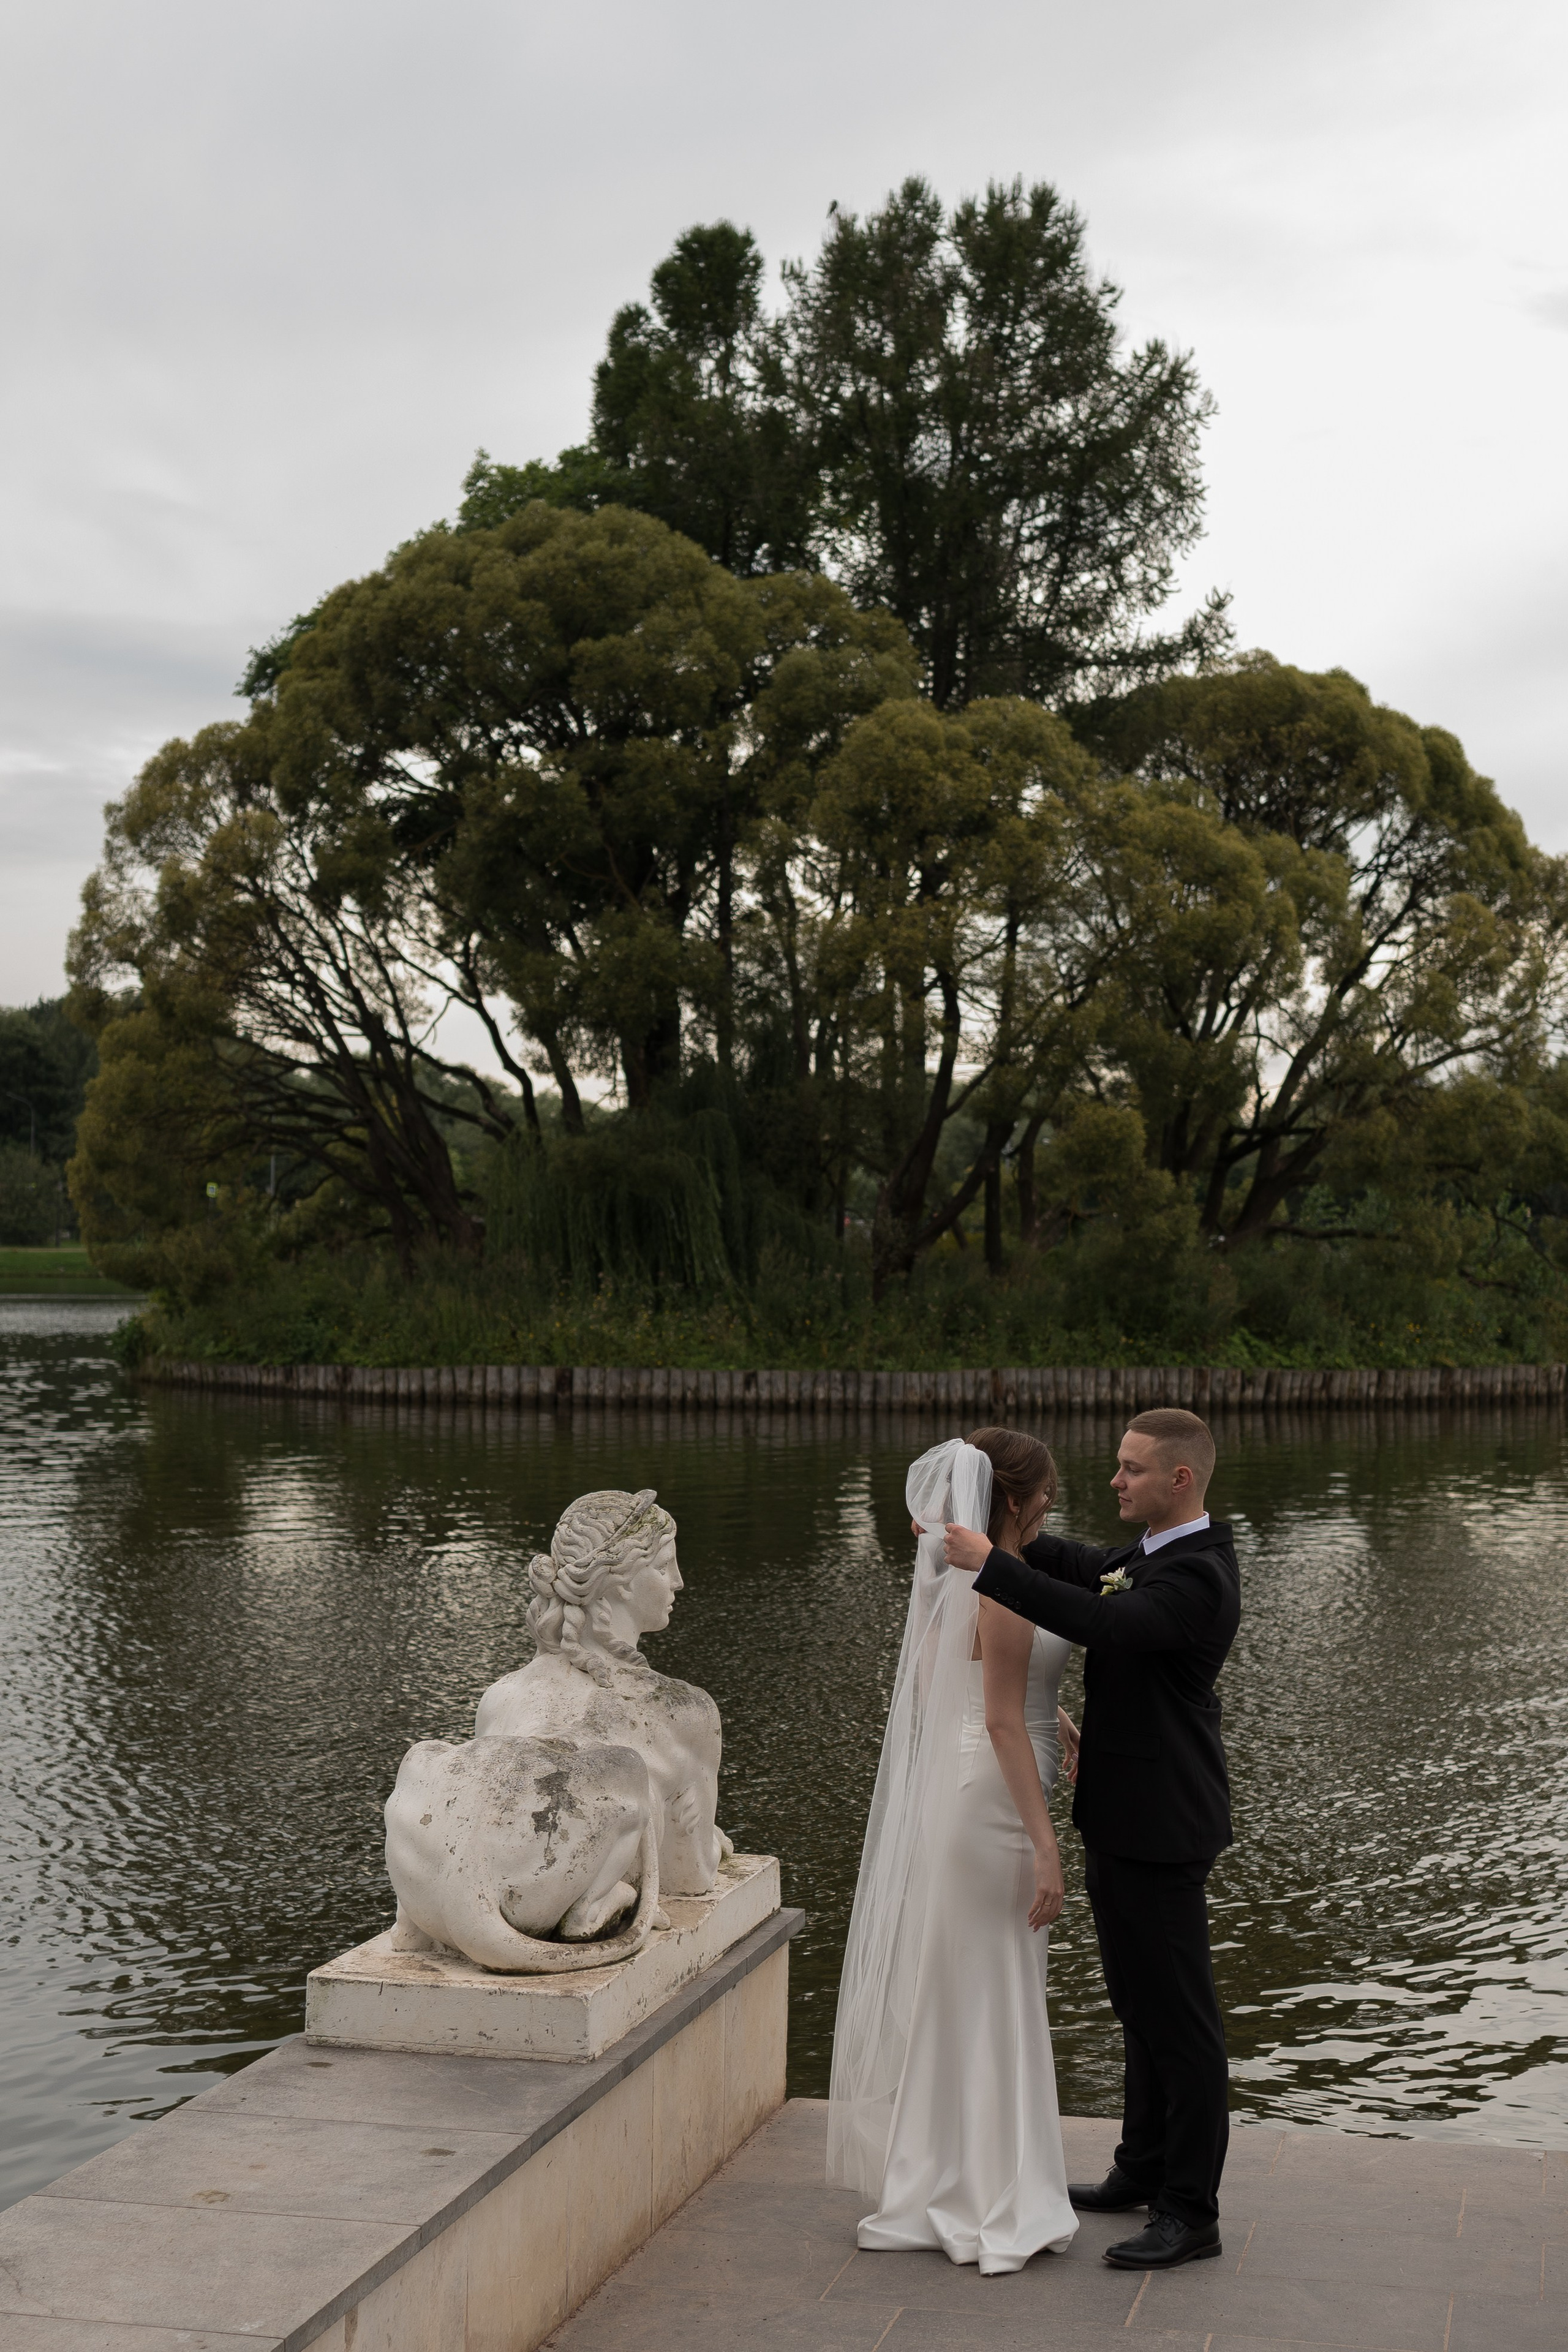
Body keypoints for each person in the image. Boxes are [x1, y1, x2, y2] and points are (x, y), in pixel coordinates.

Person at [942, 1408, 1240, 2271]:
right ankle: (1140, 2170)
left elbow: (1103, 1621)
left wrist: (997, 1565)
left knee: (1183, 2026)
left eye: (1133, 1470)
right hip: (1118, 1816)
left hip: (1165, 1824)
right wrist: (1002, 1527)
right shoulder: (1143, 1558)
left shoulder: (1199, 1579)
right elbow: (1080, 1570)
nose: (1116, 1480)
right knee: (1139, 2008)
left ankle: (1192, 2211)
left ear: (1180, 1480)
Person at [828, 1428, 1082, 2275]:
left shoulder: (957, 1582)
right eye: (1045, 1491)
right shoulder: (1001, 1587)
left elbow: (978, 1694)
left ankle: (941, 2177)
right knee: (999, 1988)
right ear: (1013, 1500)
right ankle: (993, 2192)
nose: (1053, 1502)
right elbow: (1005, 1720)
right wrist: (1048, 1849)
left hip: (969, 1790)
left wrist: (1059, 1716)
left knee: (967, 1988)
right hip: (1000, 1807)